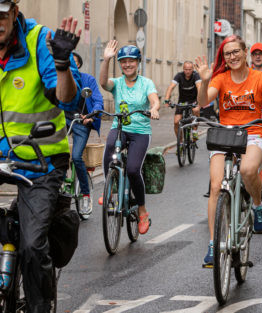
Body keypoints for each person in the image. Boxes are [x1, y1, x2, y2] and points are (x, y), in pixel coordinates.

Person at [0, 0, 82, 310]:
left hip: (42, 160)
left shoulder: (40, 41)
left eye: (1, 14)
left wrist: (62, 67)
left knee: (33, 246)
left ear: (14, 12)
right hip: (2, 157)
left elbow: (66, 99)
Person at [195, 35, 262, 266]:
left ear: (245, 52)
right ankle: (214, 245)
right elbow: (203, 102)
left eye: (236, 52)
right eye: (227, 54)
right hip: (225, 134)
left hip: (253, 132)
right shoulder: (220, 79)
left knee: (248, 169)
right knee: (215, 186)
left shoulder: (260, 77)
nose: (232, 57)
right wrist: (204, 81)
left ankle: (257, 205)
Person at [99, 40, 160, 235]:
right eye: (123, 61)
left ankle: (142, 211)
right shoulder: (117, 83)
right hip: (120, 128)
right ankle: (108, 191)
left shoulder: (146, 83)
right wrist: (106, 60)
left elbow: (154, 101)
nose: (127, 65)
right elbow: (102, 82)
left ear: (138, 62)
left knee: (133, 169)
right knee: (109, 148)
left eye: (131, 61)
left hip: (140, 131)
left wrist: (154, 110)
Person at [68, 51, 103, 217]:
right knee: (52, 155)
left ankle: (86, 194)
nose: (71, 64)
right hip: (63, 121)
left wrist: (91, 116)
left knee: (76, 157)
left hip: (82, 121)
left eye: (74, 62)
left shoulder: (88, 80)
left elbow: (98, 100)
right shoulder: (56, 79)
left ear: (79, 65)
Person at [163, 61, 201, 140]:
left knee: (196, 110)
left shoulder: (196, 75)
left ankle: (194, 131)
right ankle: (180, 142)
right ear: (183, 69)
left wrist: (200, 101)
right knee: (176, 122)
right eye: (186, 69)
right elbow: (171, 87)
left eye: (189, 69)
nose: (187, 71)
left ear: (193, 69)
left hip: (193, 100)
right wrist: (167, 99)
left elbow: (199, 87)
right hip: (182, 101)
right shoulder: (179, 76)